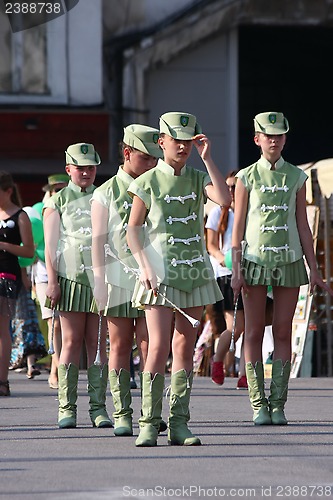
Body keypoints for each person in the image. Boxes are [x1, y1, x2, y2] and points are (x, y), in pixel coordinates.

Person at [127, 111, 231, 447]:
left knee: (184, 346)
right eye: (176, 141)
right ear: (162, 142)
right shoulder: (145, 182)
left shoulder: (199, 178)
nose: (183, 147)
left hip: (195, 272)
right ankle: (148, 421)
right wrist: (144, 266)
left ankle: (179, 422)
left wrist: (208, 158)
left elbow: (226, 199)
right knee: (157, 346)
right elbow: (133, 230)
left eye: (188, 141)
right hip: (157, 273)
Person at [231, 111, 333, 426]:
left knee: (283, 331)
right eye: (268, 136)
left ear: (285, 139)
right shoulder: (245, 177)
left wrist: (314, 270)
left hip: (289, 262)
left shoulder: (298, 178)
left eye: (279, 136)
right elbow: (238, 228)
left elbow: (303, 225)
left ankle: (278, 403)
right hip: (255, 262)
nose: (274, 141)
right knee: (253, 331)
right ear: (257, 139)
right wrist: (236, 268)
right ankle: (258, 403)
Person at [91, 124, 163, 437]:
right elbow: (97, 242)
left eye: (154, 159)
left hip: (152, 278)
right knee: (119, 345)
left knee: (151, 345)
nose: (151, 164)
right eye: (145, 158)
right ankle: (122, 413)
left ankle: (151, 412)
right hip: (119, 279)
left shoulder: (159, 186)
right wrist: (99, 281)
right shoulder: (105, 192)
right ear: (127, 153)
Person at [43, 143, 112, 428]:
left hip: (101, 281)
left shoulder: (105, 195)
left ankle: (98, 409)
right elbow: (49, 246)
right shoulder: (56, 201)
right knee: (70, 343)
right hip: (70, 280)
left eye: (91, 167)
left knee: (97, 346)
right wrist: (52, 281)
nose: (86, 172)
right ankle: (67, 409)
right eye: (80, 167)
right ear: (68, 169)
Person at [205, 171, 247, 389]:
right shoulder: (217, 213)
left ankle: (245, 373)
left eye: (235, 187)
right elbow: (211, 244)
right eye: (228, 187)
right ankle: (218, 360)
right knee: (236, 326)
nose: (231, 191)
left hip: (250, 271)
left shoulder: (248, 211)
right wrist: (225, 261)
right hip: (226, 273)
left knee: (252, 326)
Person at [33, 173, 69, 389]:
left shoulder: (75, 206)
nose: (59, 192)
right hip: (45, 274)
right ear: (49, 191)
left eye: (62, 188)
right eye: (55, 189)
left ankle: (60, 367)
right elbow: (39, 244)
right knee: (52, 323)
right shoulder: (41, 210)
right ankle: (57, 368)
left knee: (67, 325)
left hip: (70, 271)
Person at [0, 171, 34, 396]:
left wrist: (3, 245)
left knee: (3, 328)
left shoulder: (20, 216)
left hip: (6, 275)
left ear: (8, 191)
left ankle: (2, 381)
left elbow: (29, 250)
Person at [10, 267, 47, 379]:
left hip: (18, 285)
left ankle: (30, 365)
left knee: (26, 325)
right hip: (15, 285)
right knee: (25, 325)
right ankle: (27, 364)